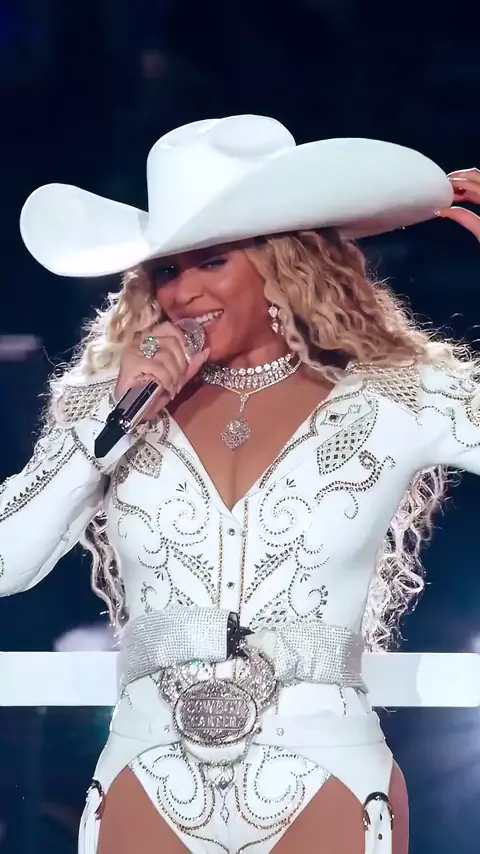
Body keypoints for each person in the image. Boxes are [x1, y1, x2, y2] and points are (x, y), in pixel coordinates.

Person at [1, 114, 480, 854]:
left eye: (212, 262)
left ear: (284, 264)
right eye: (168, 271)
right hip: (148, 774)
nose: (185, 292)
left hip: (323, 772)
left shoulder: (397, 399)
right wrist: (110, 427)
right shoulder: (108, 406)